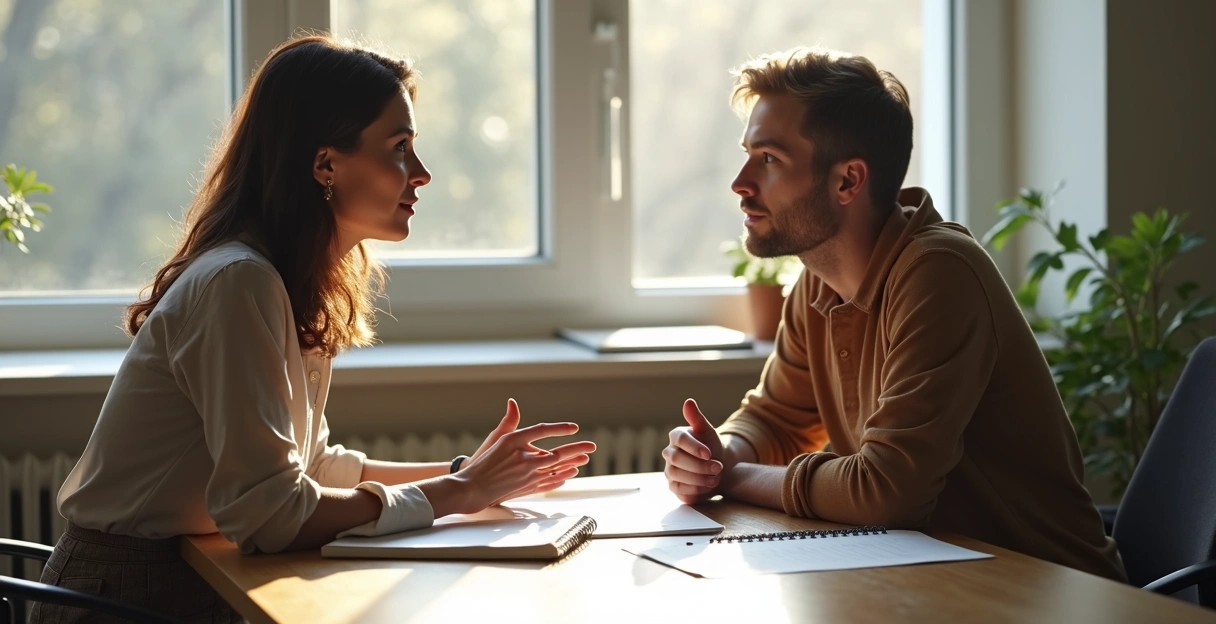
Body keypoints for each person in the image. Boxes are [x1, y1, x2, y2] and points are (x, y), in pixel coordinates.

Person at [31, 35, 595, 622]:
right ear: (325, 163)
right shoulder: (238, 282)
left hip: (189, 575)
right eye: (399, 147)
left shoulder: (282, 279)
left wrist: (464, 475)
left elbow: (313, 469)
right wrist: (456, 495)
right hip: (128, 594)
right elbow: (270, 515)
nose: (421, 174)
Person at [661, 46, 1126, 582]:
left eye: (769, 159)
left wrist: (734, 476)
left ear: (847, 181)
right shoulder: (818, 280)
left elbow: (885, 493)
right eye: (748, 154)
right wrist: (717, 454)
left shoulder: (939, 272)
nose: (740, 182)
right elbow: (777, 418)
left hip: (1053, 592)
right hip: (935, 583)